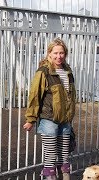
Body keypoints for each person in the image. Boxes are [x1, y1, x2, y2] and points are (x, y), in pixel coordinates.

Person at [23, 38, 76, 180]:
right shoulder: (43, 72)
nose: (59, 56)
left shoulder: (68, 71)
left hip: (65, 120)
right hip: (49, 120)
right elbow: (35, 96)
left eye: (62, 53)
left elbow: (70, 96)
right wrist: (31, 119)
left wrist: (70, 117)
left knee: (64, 155)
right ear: (49, 53)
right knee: (51, 155)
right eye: (56, 53)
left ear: (65, 54)